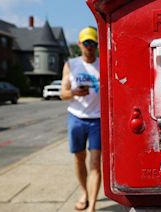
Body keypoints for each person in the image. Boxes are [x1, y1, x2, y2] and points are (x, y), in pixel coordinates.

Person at [61, 26, 101, 212]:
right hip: (76, 117)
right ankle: (84, 192)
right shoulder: (71, 64)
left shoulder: (103, 64)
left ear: (97, 45)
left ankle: (92, 206)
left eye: (92, 43)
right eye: (86, 43)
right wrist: (74, 92)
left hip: (97, 119)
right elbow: (63, 93)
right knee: (79, 158)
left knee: (95, 162)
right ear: (79, 44)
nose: (89, 47)